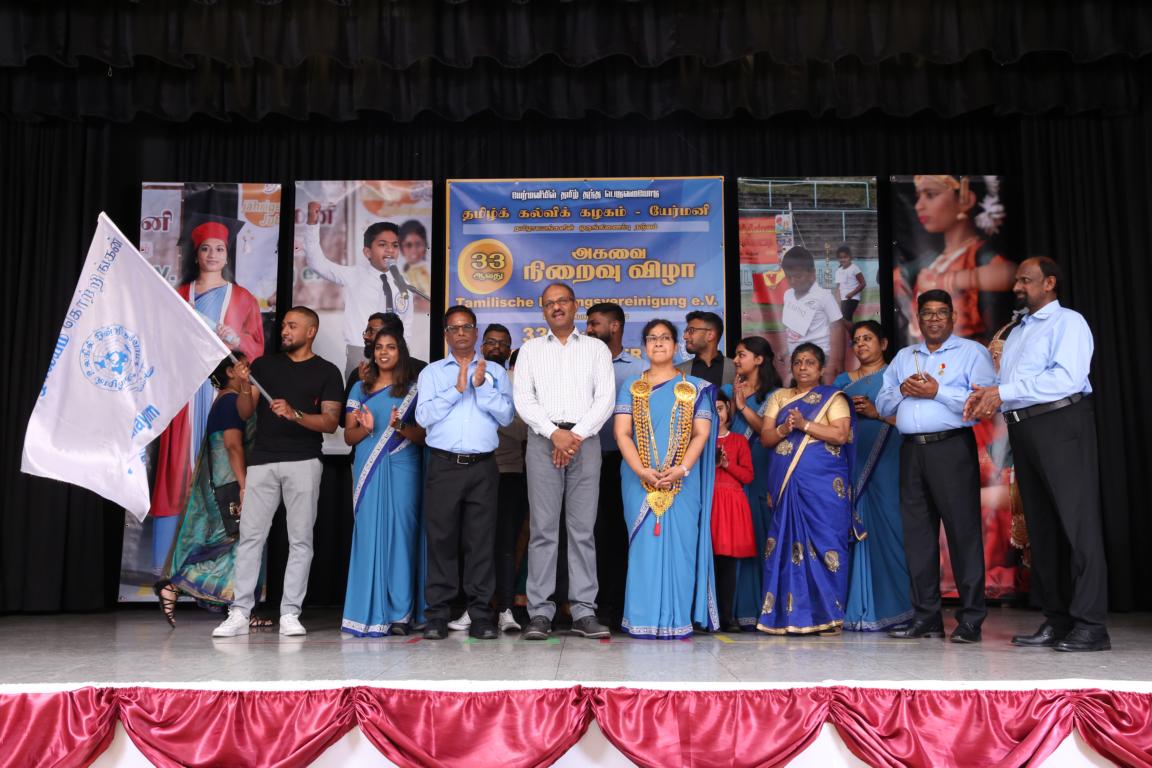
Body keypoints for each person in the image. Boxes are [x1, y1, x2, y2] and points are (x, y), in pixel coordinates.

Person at [964, 257, 1109, 652]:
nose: (1017, 287)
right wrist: (986, 395)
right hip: (1025, 430)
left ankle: (1091, 626)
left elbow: (1066, 378)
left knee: (1077, 527)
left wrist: (1003, 392)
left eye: (1025, 280)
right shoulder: (1019, 331)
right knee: (1042, 530)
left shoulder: (1068, 323)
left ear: (1049, 283)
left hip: (1061, 425)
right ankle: (1058, 620)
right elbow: (1007, 385)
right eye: (1016, 280)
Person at [212, 307, 345, 637]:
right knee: (251, 538)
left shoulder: (327, 372)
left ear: (311, 331)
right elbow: (245, 412)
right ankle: (240, 611)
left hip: (304, 461)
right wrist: (245, 385)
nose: (285, 331)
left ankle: (290, 613)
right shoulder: (264, 366)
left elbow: (330, 423)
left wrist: (295, 413)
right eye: (284, 325)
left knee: (300, 540)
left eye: (292, 326)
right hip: (262, 461)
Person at [876, 290, 994, 643]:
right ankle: (926, 617)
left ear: (953, 317)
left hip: (951, 448)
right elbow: (882, 404)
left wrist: (937, 392)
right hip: (911, 451)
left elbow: (984, 403)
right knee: (918, 537)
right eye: (927, 313)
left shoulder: (971, 352)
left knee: (963, 534)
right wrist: (903, 389)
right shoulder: (904, 357)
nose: (934, 319)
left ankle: (971, 619)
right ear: (918, 319)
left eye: (941, 313)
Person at [150, 220, 265, 576]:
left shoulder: (242, 298)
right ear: (196, 255)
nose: (212, 255)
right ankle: (168, 568)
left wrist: (237, 340)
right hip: (184, 392)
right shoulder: (178, 295)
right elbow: (160, 339)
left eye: (219, 249)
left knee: (221, 468)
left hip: (222, 394)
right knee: (177, 469)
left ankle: (212, 568)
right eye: (205, 248)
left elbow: (257, 347)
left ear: (227, 255)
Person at [513, 282, 615, 641]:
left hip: (585, 443)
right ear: (543, 310)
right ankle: (540, 612)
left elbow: (605, 399)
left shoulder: (596, 349)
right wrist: (554, 433)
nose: (556, 307)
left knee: (582, 530)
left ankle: (583, 611)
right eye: (549, 303)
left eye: (562, 301)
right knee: (543, 530)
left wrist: (574, 436)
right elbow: (523, 399)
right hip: (543, 442)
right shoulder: (530, 350)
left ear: (575, 306)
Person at [614, 319, 718, 638]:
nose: (658, 343)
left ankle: (677, 620)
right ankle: (642, 619)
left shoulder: (696, 388)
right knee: (643, 548)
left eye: (665, 338)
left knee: (681, 548)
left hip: (683, 481)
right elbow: (622, 433)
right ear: (644, 346)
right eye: (651, 338)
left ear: (676, 345)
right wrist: (641, 470)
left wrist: (681, 469)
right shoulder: (631, 386)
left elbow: (701, 434)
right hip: (638, 478)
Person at [415, 307, 514, 640]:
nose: (460, 333)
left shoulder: (495, 372)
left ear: (476, 332)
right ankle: (437, 615)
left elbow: (506, 416)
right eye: (454, 328)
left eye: (466, 327)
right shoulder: (431, 373)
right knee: (441, 541)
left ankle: (481, 615)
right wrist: (456, 390)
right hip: (443, 465)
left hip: (483, 466)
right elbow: (423, 417)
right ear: (445, 334)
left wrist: (481, 387)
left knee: (481, 542)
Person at [154, 353, 269, 628]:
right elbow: (232, 445)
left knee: (233, 546)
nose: (250, 372)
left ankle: (239, 609)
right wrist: (244, 485)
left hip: (222, 482)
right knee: (237, 544)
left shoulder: (225, 400)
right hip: (229, 483)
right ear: (230, 372)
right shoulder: (230, 402)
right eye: (244, 367)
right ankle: (175, 585)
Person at [756, 343, 858, 635]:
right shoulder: (779, 397)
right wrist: (785, 429)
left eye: (810, 362)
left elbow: (840, 434)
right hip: (787, 485)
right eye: (798, 362)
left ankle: (829, 617)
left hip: (823, 489)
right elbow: (765, 438)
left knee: (826, 545)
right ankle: (786, 617)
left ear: (821, 368)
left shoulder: (833, 397)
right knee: (784, 546)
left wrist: (804, 423)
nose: (803, 367)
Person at [341, 329, 426, 637]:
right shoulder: (359, 389)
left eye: (391, 347)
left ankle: (401, 614)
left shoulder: (414, 390)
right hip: (368, 468)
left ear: (400, 352)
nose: (384, 352)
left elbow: (423, 437)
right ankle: (367, 612)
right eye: (379, 347)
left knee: (402, 535)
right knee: (369, 534)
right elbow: (348, 436)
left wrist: (399, 425)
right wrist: (367, 428)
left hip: (404, 465)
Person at [446, 323, 528, 634]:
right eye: (491, 342)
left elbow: (520, 429)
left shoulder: (515, 382)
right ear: (482, 345)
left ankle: (505, 608)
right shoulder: (466, 373)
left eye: (503, 343)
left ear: (509, 349)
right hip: (472, 470)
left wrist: (487, 406)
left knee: (505, 543)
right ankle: (474, 607)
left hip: (508, 472)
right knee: (474, 543)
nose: (496, 347)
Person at [833, 321, 913, 631]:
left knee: (891, 529)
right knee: (850, 528)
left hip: (889, 460)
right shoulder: (842, 382)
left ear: (883, 343)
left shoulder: (896, 377)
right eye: (856, 341)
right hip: (851, 463)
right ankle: (852, 609)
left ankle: (896, 608)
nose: (861, 345)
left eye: (868, 338)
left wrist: (875, 413)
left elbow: (915, 417)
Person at [895, 175, 1014, 343]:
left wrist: (943, 281)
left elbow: (1011, 274)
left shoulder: (977, 254)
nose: (918, 206)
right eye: (918, 197)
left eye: (930, 195)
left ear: (966, 200)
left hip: (968, 352)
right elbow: (896, 277)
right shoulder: (932, 259)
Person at [303, 202, 414, 378]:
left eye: (395, 245)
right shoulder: (354, 275)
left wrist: (403, 353)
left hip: (395, 353)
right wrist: (312, 223)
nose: (390, 250)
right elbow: (317, 263)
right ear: (367, 252)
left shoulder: (403, 283)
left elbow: (406, 323)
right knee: (357, 394)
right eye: (383, 244)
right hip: (361, 352)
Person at [585, 301, 640, 627]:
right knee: (589, 533)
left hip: (625, 462)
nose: (589, 329)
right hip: (585, 456)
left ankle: (617, 605)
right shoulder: (581, 363)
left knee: (619, 533)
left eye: (595, 323)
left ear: (615, 326)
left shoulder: (638, 370)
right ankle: (587, 605)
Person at [722, 336, 781, 629]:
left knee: (759, 540)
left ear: (759, 359)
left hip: (761, 472)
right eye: (735, 354)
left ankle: (761, 610)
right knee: (732, 543)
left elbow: (769, 434)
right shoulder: (726, 391)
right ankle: (730, 612)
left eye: (741, 354)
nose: (735, 360)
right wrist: (733, 405)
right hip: (730, 478)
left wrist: (744, 407)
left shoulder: (776, 395)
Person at [711, 390, 756, 632]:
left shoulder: (738, 441)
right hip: (709, 503)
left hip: (730, 506)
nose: (717, 414)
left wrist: (727, 465)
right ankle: (706, 616)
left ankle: (727, 617)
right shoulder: (699, 440)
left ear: (728, 409)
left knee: (728, 564)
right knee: (708, 561)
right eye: (712, 409)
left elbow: (748, 476)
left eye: (720, 408)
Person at [779, 246, 845, 385]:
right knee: (791, 390)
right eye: (788, 277)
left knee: (816, 393)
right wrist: (786, 350)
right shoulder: (787, 295)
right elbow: (793, 327)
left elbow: (838, 326)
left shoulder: (823, 296)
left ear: (812, 274)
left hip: (819, 357)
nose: (793, 281)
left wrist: (836, 360)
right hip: (795, 356)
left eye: (798, 276)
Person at [676, 311, 735, 388]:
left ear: (710, 335)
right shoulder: (678, 372)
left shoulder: (736, 369)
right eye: (686, 331)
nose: (685, 336)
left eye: (691, 330)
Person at [398, 219, 432, 299]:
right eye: (408, 245)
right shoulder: (397, 273)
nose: (414, 250)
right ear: (401, 247)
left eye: (418, 244)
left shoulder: (431, 269)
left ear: (425, 244)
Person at [834, 244, 866, 323]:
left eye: (845, 257)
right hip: (843, 299)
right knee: (845, 320)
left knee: (846, 318)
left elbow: (863, 283)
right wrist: (837, 299)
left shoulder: (854, 268)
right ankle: (852, 330)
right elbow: (838, 287)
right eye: (840, 257)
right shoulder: (838, 271)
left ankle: (852, 330)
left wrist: (851, 294)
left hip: (852, 298)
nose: (843, 259)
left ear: (850, 257)